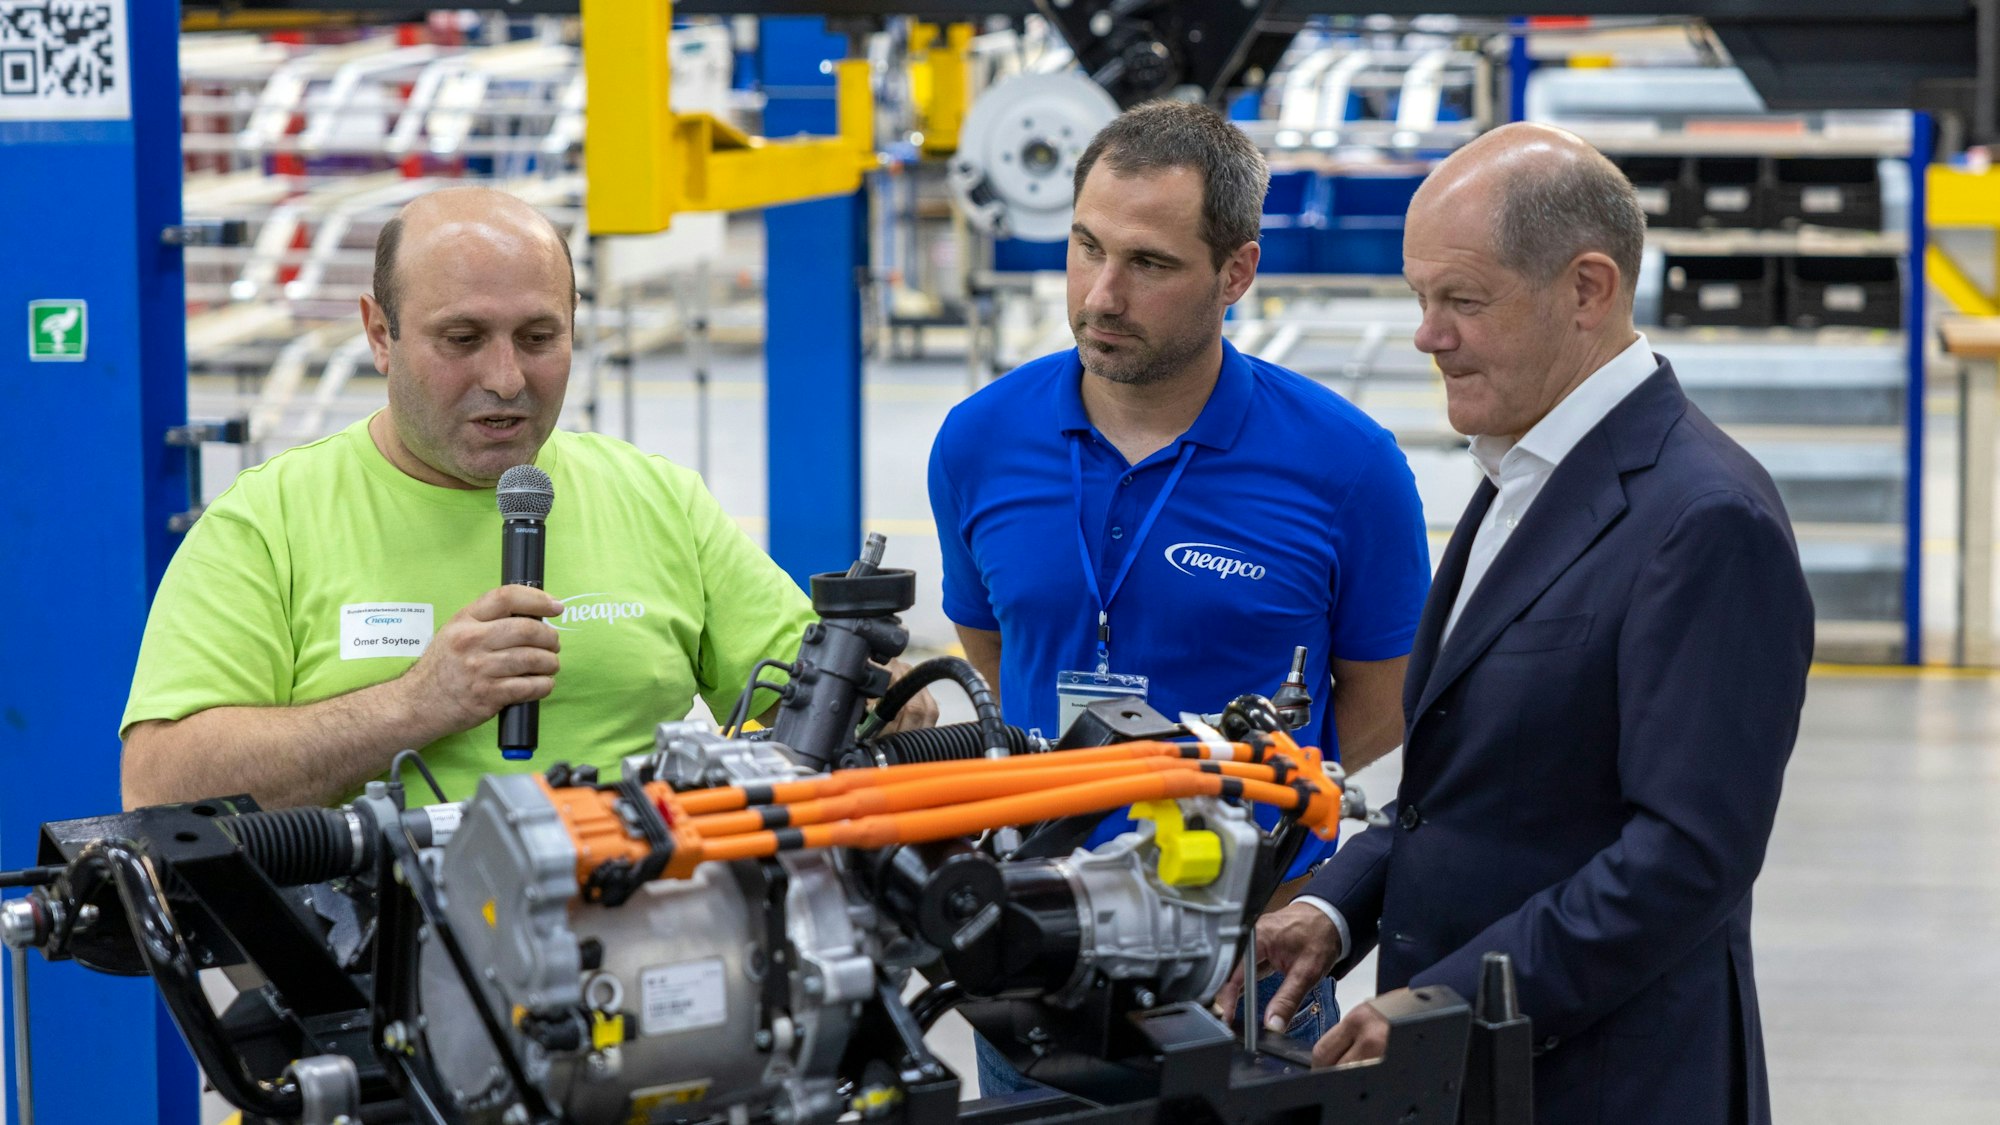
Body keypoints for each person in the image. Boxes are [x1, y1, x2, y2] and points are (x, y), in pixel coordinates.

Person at [1217, 123, 1814, 1125]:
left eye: (1460, 300)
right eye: (1418, 299)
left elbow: (1684, 856)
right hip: (1487, 1078)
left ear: (1586, 289)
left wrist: (1449, 1000)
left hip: (1611, 1082)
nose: (1424, 334)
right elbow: (1472, 792)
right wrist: (1333, 905)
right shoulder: (1521, 469)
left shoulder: (1704, 519)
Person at [122, 187, 931, 811]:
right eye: (462, 339)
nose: (507, 379)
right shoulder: (271, 525)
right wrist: (413, 704)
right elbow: (160, 788)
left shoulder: (656, 500)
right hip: (382, 965)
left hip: (655, 934)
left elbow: (813, 698)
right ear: (379, 334)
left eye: (539, 338)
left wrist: (886, 702)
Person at [928, 100, 1431, 1065]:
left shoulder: (1345, 466)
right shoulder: (980, 441)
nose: (1100, 295)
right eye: (1086, 246)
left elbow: (1380, 700)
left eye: (1149, 264)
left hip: (1243, 956)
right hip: (1038, 942)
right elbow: (996, 649)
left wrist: (1267, 864)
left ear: (1236, 271)